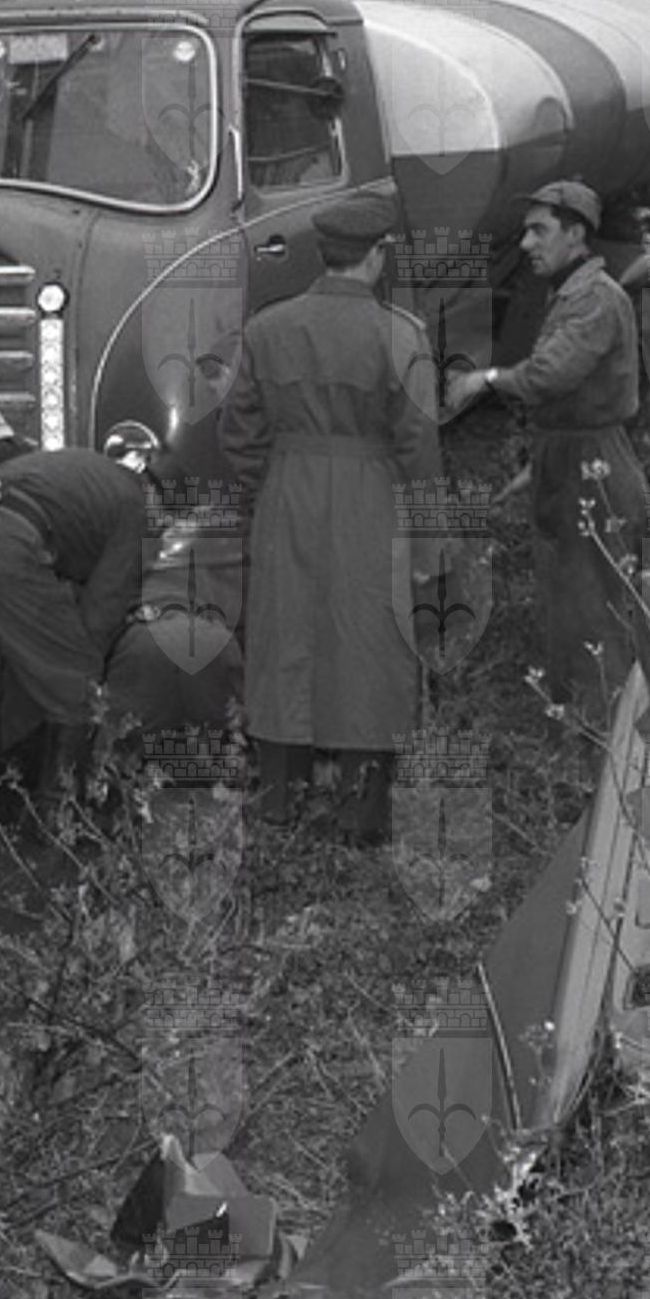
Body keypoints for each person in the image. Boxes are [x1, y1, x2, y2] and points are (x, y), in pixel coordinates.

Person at [217, 191, 440, 838]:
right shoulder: (400, 335)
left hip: (286, 493)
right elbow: (419, 448)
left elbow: (236, 435)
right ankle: (361, 811)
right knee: (369, 642)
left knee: (283, 638)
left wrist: (273, 482)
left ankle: (278, 803)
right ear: (376, 255)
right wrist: (429, 549)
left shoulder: (266, 329)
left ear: (324, 253)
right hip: (371, 496)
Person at [446, 179, 648, 724]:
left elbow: (549, 376)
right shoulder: (569, 295)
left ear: (576, 234)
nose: (527, 244)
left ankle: (608, 749)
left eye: (540, 231)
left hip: (592, 466)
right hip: (571, 459)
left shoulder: (596, 299)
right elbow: (570, 401)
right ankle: (583, 736)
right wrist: (539, 467)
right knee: (567, 611)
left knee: (595, 615)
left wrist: (485, 379)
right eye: (526, 232)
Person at [0, 444, 150, 785]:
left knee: (9, 673)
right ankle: (60, 807)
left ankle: (4, 785)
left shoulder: (88, 469)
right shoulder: (138, 510)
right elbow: (100, 617)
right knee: (75, 681)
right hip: (3, 546)